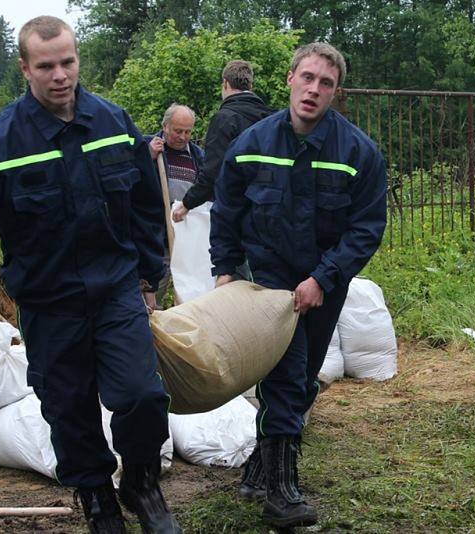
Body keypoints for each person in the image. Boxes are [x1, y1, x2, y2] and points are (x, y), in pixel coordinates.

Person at [0, 16, 180, 534]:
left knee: (142, 396)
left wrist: (149, 275)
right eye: (46, 66)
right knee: (69, 411)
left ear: (77, 60)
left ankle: (140, 482)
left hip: (115, 291)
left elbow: (142, 200)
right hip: (49, 304)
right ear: (25, 68)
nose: (60, 75)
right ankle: (97, 500)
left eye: (67, 62)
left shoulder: (113, 124)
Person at [210, 42, 387, 528]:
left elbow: (366, 228)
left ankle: (262, 462)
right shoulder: (252, 144)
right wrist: (227, 270)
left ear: (336, 91)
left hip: (322, 283)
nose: (313, 90)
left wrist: (323, 279)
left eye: (325, 83)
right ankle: (282, 493)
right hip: (267, 285)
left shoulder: (357, 152)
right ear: (289, 79)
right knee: (285, 377)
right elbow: (227, 211)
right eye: (306, 78)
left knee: (304, 376)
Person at [172, 60, 274, 223]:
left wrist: (186, 204)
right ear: (251, 86)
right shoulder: (271, 119)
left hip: (235, 212)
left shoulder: (224, 120)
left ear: (225, 83)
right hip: (269, 209)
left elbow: (212, 171)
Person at [145, 104, 204, 305]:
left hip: (187, 238)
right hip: (157, 239)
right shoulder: (148, 147)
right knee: (153, 294)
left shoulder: (197, 156)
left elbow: (205, 190)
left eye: (188, 131)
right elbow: (131, 179)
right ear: (165, 126)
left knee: (189, 296)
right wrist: (148, 156)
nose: (183, 137)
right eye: (178, 131)